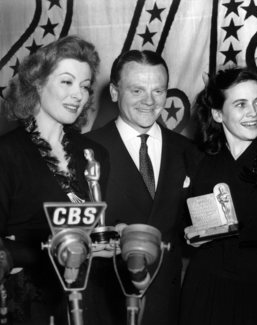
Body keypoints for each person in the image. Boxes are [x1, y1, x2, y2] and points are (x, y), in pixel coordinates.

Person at [0, 35, 109, 324]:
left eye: (85, 87)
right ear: (37, 82)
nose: (78, 95)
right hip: (28, 306)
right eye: (67, 82)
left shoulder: (94, 154)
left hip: (88, 300)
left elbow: (96, 229)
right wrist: (46, 250)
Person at [86, 50, 201, 325]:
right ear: (114, 92)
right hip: (105, 304)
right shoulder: (85, 150)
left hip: (166, 305)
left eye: (158, 91)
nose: (149, 101)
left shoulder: (189, 151)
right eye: (137, 90)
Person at [180, 67, 257, 325]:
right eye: (240, 104)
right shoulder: (197, 159)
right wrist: (190, 236)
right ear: (217, 114)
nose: (254, 113)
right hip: (204, 288)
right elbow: (180, 224)